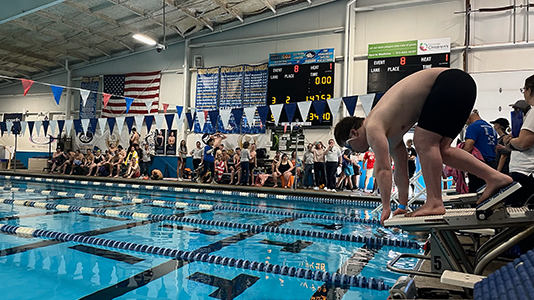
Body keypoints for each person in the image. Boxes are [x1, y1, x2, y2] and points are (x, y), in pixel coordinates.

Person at [334, 68, 513, 224]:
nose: (354, 151)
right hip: (462, 85)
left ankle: (434, 201)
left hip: (449, 82)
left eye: (351, 147)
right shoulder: (390, 134)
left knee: (423, 141)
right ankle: (494, 177)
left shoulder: (373, 126)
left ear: (353, 133)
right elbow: (400, 171)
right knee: (443, 150)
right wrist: (402, 205)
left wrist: (386, 207)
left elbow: (383, 170)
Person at [503, 74, 534, 206]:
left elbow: (523, 143)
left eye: (524, 90)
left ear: (529, 90)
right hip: (526, 172)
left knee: (513, 214)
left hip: (525, 172)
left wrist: (510, 141)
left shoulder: (533, 113)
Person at [464, 110, 498, 192]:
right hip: (492, 164)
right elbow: (495, 148)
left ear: (468, 117)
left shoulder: (472, 127)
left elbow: (468, 148)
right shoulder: (491, 128)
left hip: (478, 165)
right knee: (489, 191)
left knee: (476, 192)